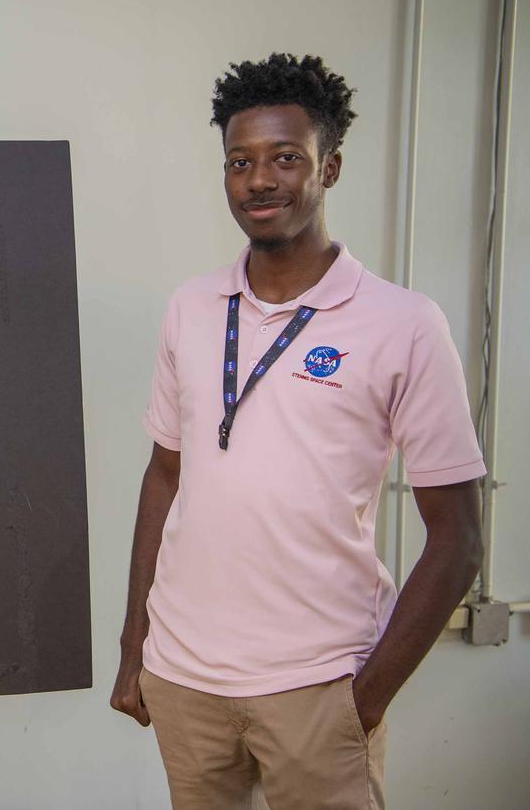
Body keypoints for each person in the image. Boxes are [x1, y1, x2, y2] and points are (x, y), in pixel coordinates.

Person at [109, 53, 485, 810]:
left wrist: (365, 699)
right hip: (185, 680)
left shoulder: (403, 324)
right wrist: (135, 647)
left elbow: (459, 540)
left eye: (286, 157)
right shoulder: (191, 305)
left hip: (319, 686)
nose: (259, 180)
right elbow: (165, 475)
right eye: (239, 162)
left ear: (331, 167)